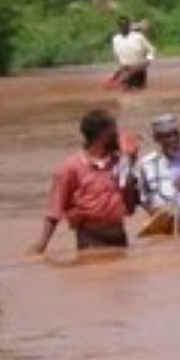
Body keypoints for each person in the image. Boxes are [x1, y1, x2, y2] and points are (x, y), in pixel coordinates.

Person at [32, 109, 139, 254]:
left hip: (119, 236)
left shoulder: (118, 162)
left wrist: (131, 162)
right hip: (91, 239)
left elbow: (130, 206)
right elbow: (54, 210)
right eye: (114, 132)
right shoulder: (70, 168)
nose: (118, 136)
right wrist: (41, 245)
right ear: (102, 135)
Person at [133, 114, 180, 237]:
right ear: (156, 139)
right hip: (164, 228)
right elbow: (143, 199)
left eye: (176, 134)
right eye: (167, 136)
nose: (173, 139)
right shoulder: (146, 164)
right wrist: (160, 215)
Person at [109, 17, 155, 91]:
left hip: (138, 68)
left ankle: (127, 81)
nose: (123, 27)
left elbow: (152, 50)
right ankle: (123, 81)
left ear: (129, 26)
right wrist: (119, 68)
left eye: (125, 25)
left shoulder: (138, 37)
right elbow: (116, 56)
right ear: (118, 27)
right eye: (121, 25)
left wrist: (148, 60)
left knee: (134, 88)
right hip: (124, 68)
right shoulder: (115, 39)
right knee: (112, 84)